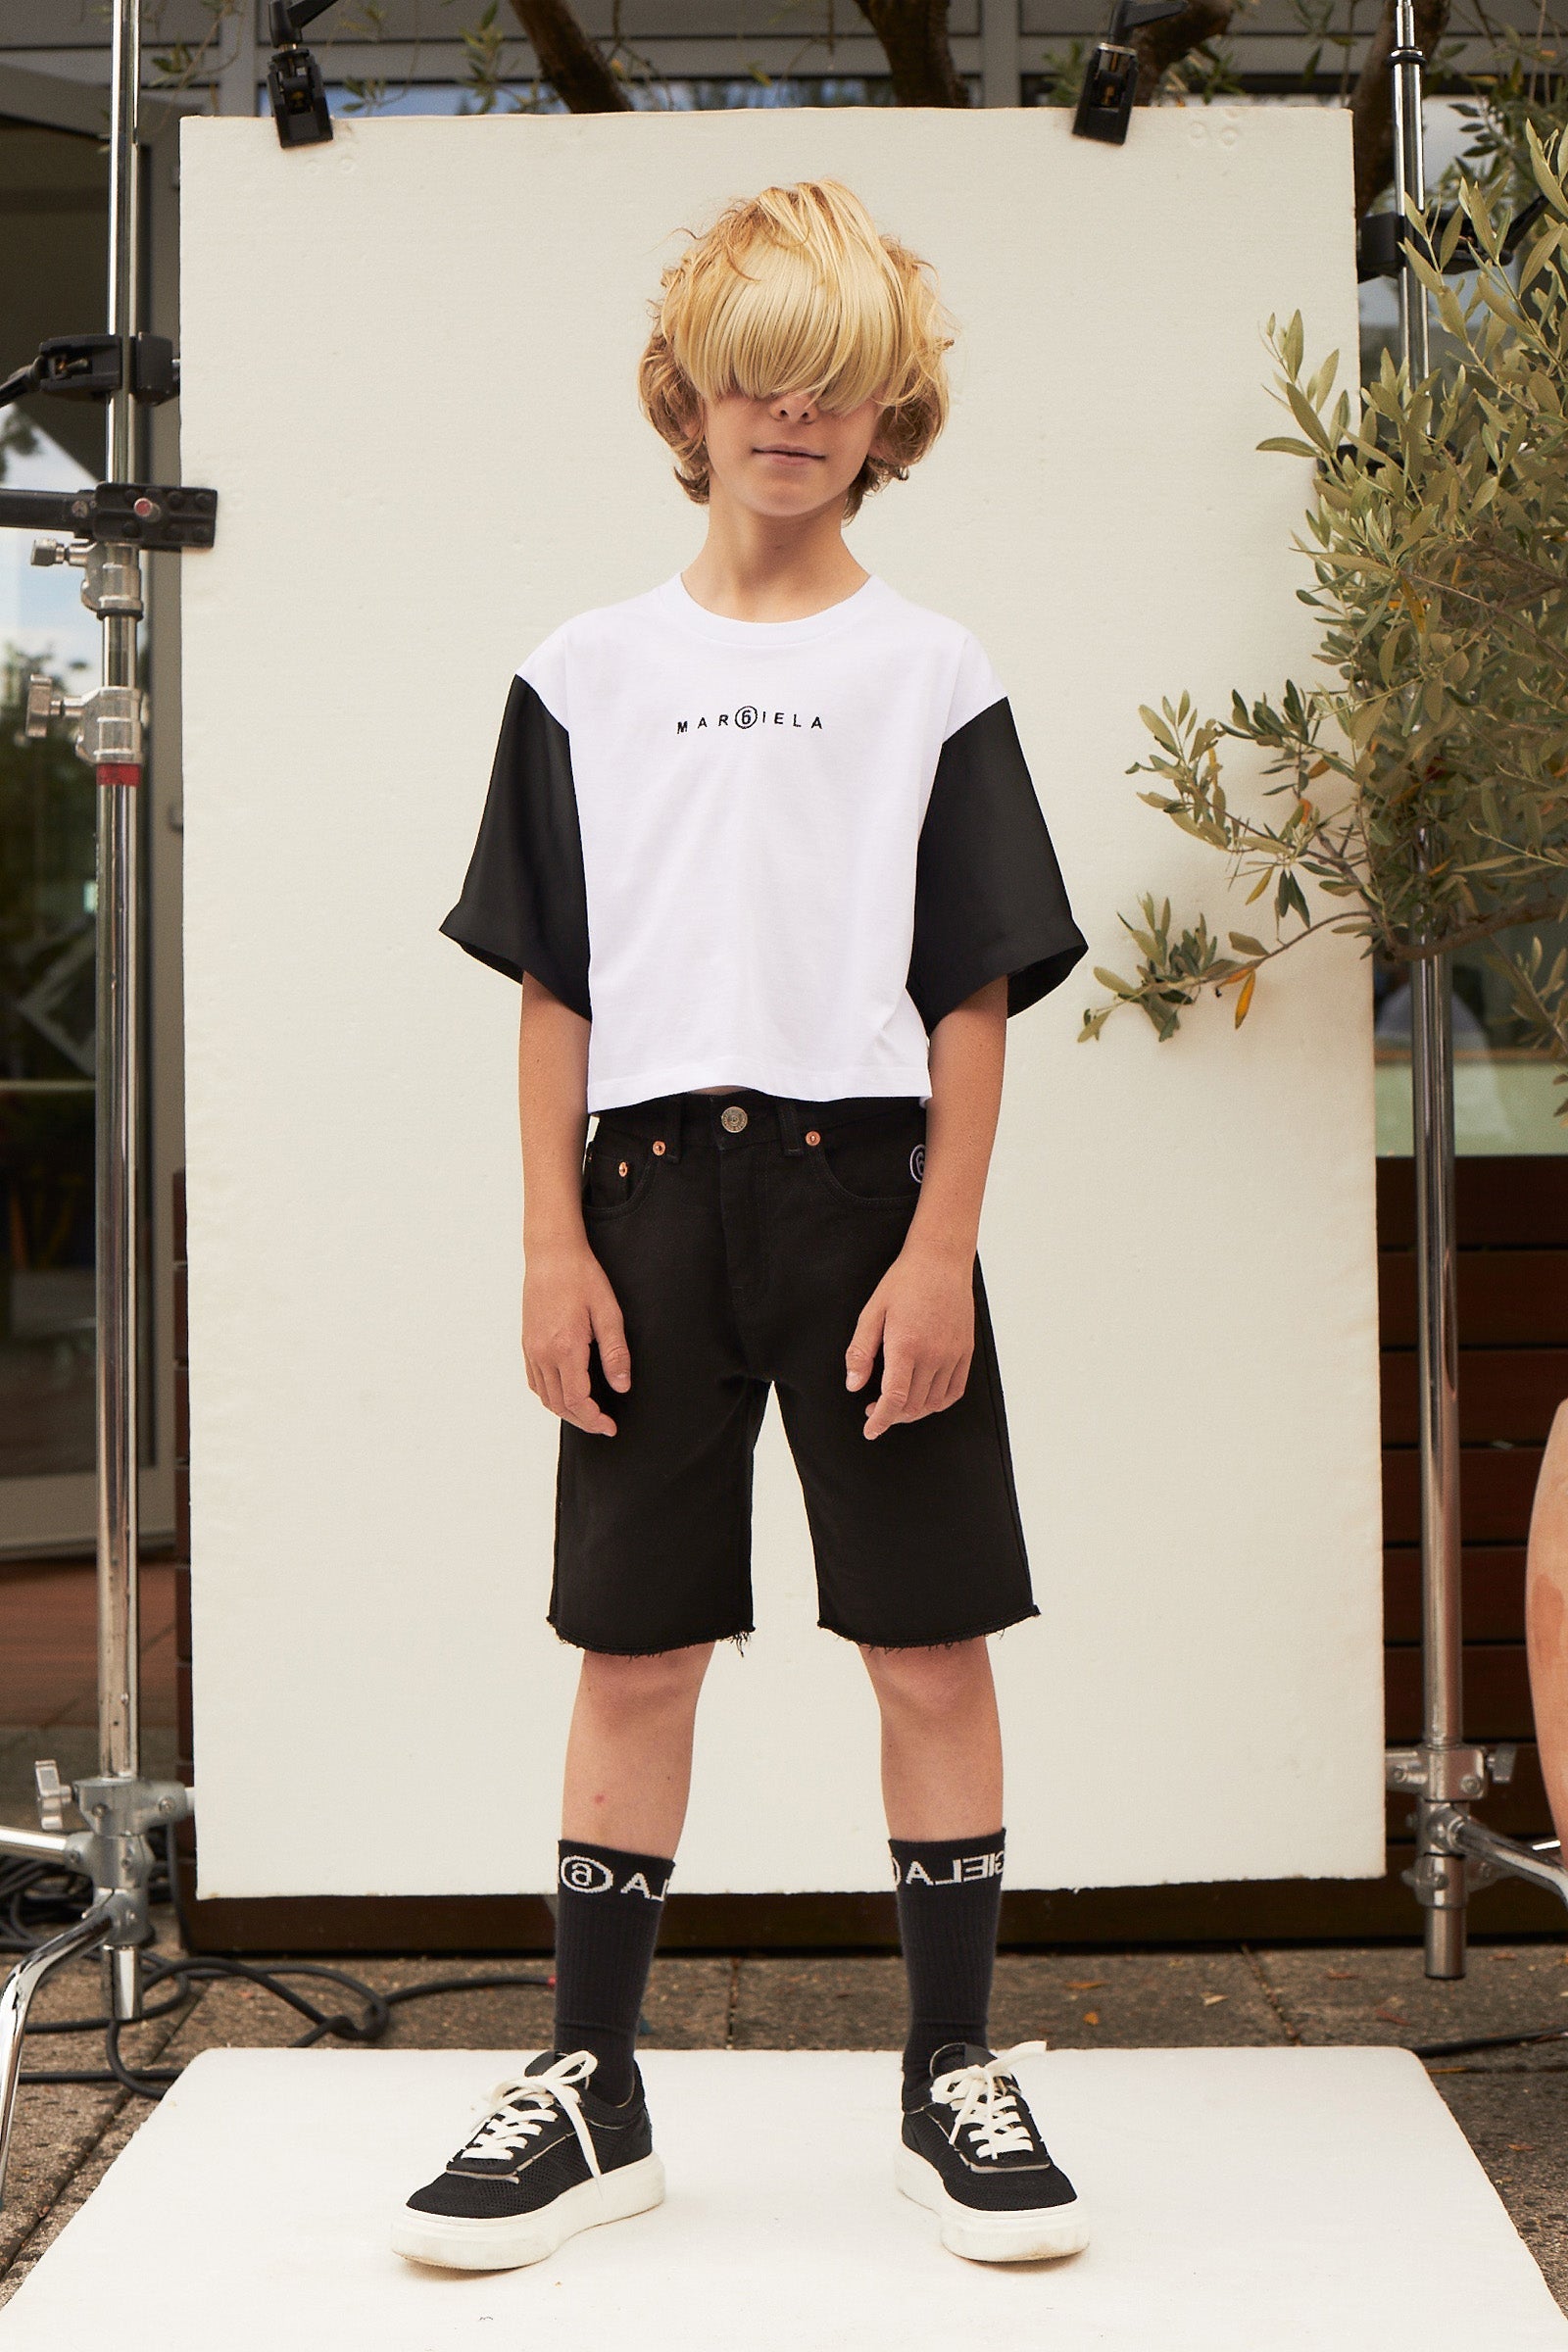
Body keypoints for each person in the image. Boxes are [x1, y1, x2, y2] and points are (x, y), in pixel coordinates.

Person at [392, 178, 1089, 2275]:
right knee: (634, 1648)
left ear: (891, 415)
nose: (792, 415)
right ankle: (591, 2086)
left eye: (836, 384)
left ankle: (950, 2070)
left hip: (864, 1201)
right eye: (755, 377)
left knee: (928, 1638)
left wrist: (940, 1249)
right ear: (685, 396)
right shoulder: (583, 670)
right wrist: (550, 1242)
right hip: (641, 1208)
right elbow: (556, 987)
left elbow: (970, 991)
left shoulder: (927, 670)